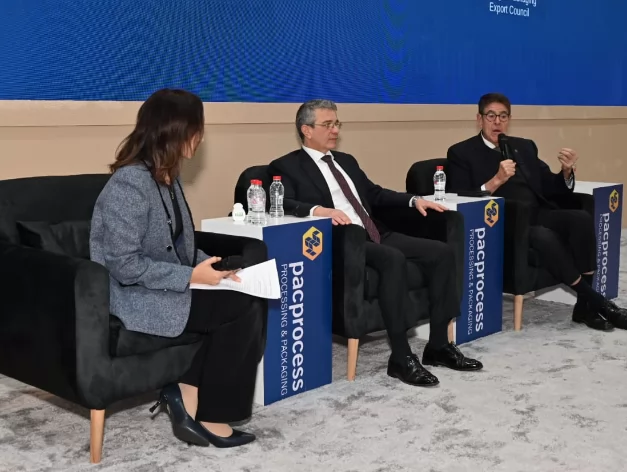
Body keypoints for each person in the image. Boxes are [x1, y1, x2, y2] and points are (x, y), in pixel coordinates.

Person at [267, 99, 483, 388]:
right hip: (344, 242)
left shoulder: (345, 161)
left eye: (336, 123)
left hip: (375, 232)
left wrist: (413, 200)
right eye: (327, 124)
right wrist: (319, 211)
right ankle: (401, 357)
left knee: (441, 253)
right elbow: (280, 202)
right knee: (392, 258)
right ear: (306, 129)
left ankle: (439, 346)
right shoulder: (286, 166)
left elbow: (375, 193)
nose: (335, 130)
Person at [90, 89, 261, 448]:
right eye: (197, 129)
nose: (201, 138)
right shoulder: (129, 184)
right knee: (238, 306)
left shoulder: (167, 178)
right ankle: (210, 412)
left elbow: (180, 245)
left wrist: (211, 267)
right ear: (175, 130)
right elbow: (124, 265)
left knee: (246, 293)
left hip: (162, 285)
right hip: (133, 296)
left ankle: (187, 392)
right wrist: (192, 277)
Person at [446, 92, 627, 332]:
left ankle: (584, 307)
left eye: (503, 116)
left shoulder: (524, 146)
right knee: (543, 236)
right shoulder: (462, 152)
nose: (497, 122)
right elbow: (459, 195)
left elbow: (549, 184)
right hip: (504, 222)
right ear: (479, 119)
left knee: (581, 219)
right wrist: (496, 180)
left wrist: (566, 172)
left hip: (537, 212)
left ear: (509, 119)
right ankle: (599, 303)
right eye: (491, 116)